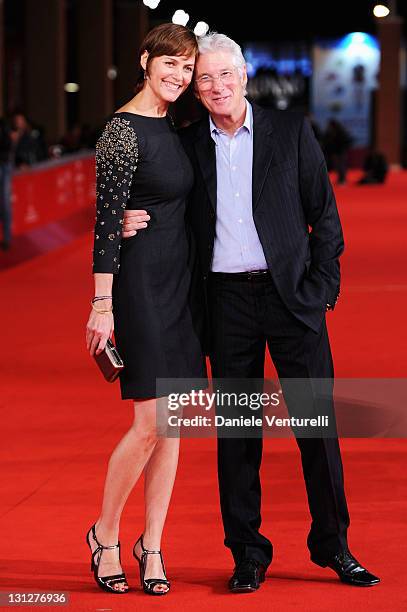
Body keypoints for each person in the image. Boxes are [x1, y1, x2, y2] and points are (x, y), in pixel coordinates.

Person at [123, 32, 380, 592]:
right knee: (239, 437)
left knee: (317, 428)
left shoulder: (290, 131)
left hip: (293, 301)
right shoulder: (188, 143)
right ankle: (248, 553)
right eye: (204, 78)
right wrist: (122, 218)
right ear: (197, 87)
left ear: (244, 76)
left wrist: (321, 289)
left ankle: (334, 546)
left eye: (225, 75)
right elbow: (153, 193)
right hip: (226, 304)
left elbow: (325, 216)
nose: (215, 86)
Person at [85, 23, 206, 596]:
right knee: (149, 422)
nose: (179, 76)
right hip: (138, 287)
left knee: (173, 425)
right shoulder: (120, 132)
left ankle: (151, 543)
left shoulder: (178, 125)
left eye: (188, 68)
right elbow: (107, 222)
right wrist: (101, 304)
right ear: (145, 60)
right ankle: (105, 534)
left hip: (181, 287)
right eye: (170, 64)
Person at [322, 118, 353, 185]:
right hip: (335, 152)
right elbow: (326, 142)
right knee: (337, 166)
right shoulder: (329, 133)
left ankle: (343, 179)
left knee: (342, 165)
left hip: (341, 151)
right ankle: (340, 179)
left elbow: (346, 141)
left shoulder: (340, 132)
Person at [0, 118, 13, 250]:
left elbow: (8, 145)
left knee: (5, 202)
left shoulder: (3, 125)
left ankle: (7, 238)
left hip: (4, 165)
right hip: (4, 164)